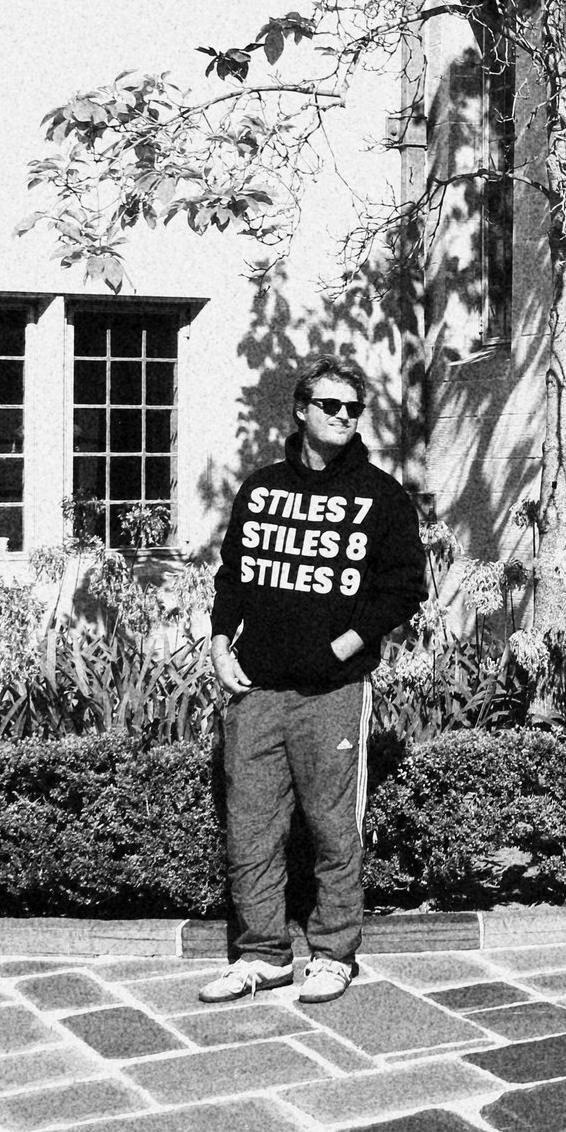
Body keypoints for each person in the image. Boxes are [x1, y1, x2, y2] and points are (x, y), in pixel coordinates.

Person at [195, 356, 427, 1005]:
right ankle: (263, 954)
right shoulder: (261, 488)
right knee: (251, 828)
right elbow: (232, 575)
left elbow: (405, 588)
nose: (344, 418)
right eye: (331, 406)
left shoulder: (382, 498)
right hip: (257, 688)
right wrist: (219, 642)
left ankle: (333, 952)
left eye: (354, 410)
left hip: (332, 693)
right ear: (301, 410)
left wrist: (346, 644)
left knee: (333, 827)